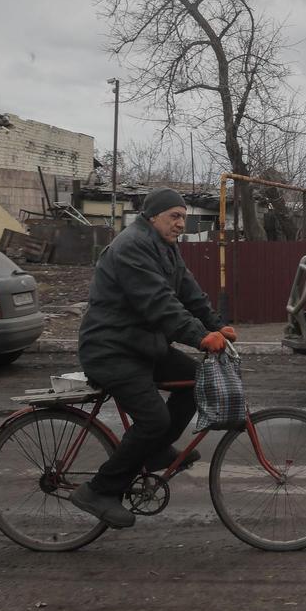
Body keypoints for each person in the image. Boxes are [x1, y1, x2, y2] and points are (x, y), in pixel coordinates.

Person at [69, 187, 238, 529]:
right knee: (154, 420)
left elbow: (189, 292)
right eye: (174, 216)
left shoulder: (165, 247)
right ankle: (99, 491)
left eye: (183, 217)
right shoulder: (132, 247)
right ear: (153, 216)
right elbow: (158, 303)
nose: (181, 224)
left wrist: (219, 326)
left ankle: (156, 452)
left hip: (142, 346)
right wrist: (200, 337)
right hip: (111, 349)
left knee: (195, 382)